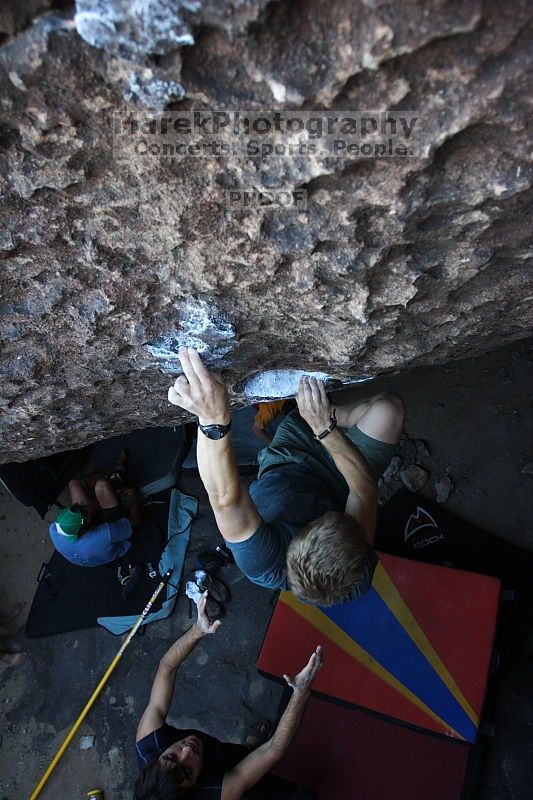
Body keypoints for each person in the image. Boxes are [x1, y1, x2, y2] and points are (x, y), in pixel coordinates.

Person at [168, 348, 404, 606]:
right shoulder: (357, 571)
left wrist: (212, 418)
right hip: (342, 482)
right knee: (388, 409)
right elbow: (363, 491)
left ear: (297, 541)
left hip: (288, 459)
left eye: (328, 517)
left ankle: (311, 411)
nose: (329, 511)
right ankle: (322, 410)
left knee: (367, 414)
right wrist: (324, 428)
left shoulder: (263, 560)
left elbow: (225, 499)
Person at [134, 591, 322, 799]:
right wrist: (300, 692)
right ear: (191, 789)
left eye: (171, 756)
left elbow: (166, 668)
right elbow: (273, 750)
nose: (187, 751)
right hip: (232, 786)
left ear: (155, 759)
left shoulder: (148, 742)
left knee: (238, 755)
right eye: (187, 770)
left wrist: (197, 630)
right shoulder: (214, 793)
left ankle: (247, 748)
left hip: (219, 759)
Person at [48, 455, 142, 567]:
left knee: (74, 484)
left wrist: (92, 507)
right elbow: (135, 522)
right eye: (85, 512)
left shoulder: (54, 529)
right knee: (101, 486)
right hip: (114, 542)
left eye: (80, 507)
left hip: (90, 543)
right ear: (85, 524)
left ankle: (117, 467)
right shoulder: (103, 535)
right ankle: (118, 480)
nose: (87, 508)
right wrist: (134, 495)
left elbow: (84, 514)